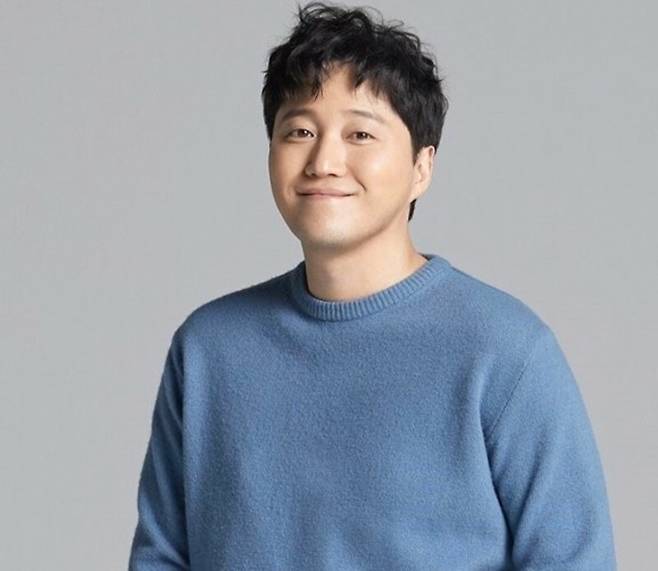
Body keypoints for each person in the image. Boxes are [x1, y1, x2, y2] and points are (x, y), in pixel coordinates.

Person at [128, 2, 617, 569]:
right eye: (300, 131)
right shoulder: (208, 348)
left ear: (421, 168)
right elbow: (161, 557)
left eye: (360, 133)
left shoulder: (505, 351)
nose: (324, 161)